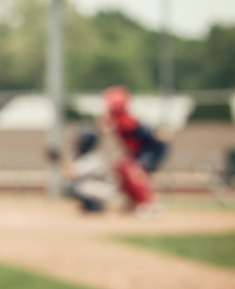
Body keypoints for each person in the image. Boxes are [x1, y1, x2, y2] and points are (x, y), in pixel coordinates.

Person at [100, 85, 169, 216]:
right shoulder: (117, 119)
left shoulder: (125, 119)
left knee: (131, 169)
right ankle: (135, 202)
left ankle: (147, 204)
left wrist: (158, 134)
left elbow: (144, 134)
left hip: (151, 149)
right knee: (121, 166)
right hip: (139, 150)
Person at [49, 125, 114, 214]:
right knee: (69, 183)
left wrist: (58, 159)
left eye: (80, 141)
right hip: (97, 188)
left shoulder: (94, 158)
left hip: (103, 191)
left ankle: (96, 206)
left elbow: (72, 173)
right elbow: (69, 171)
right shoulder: (87, 157)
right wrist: (59, 161)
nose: (77, 144)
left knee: (79, 185)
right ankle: (89, 205)